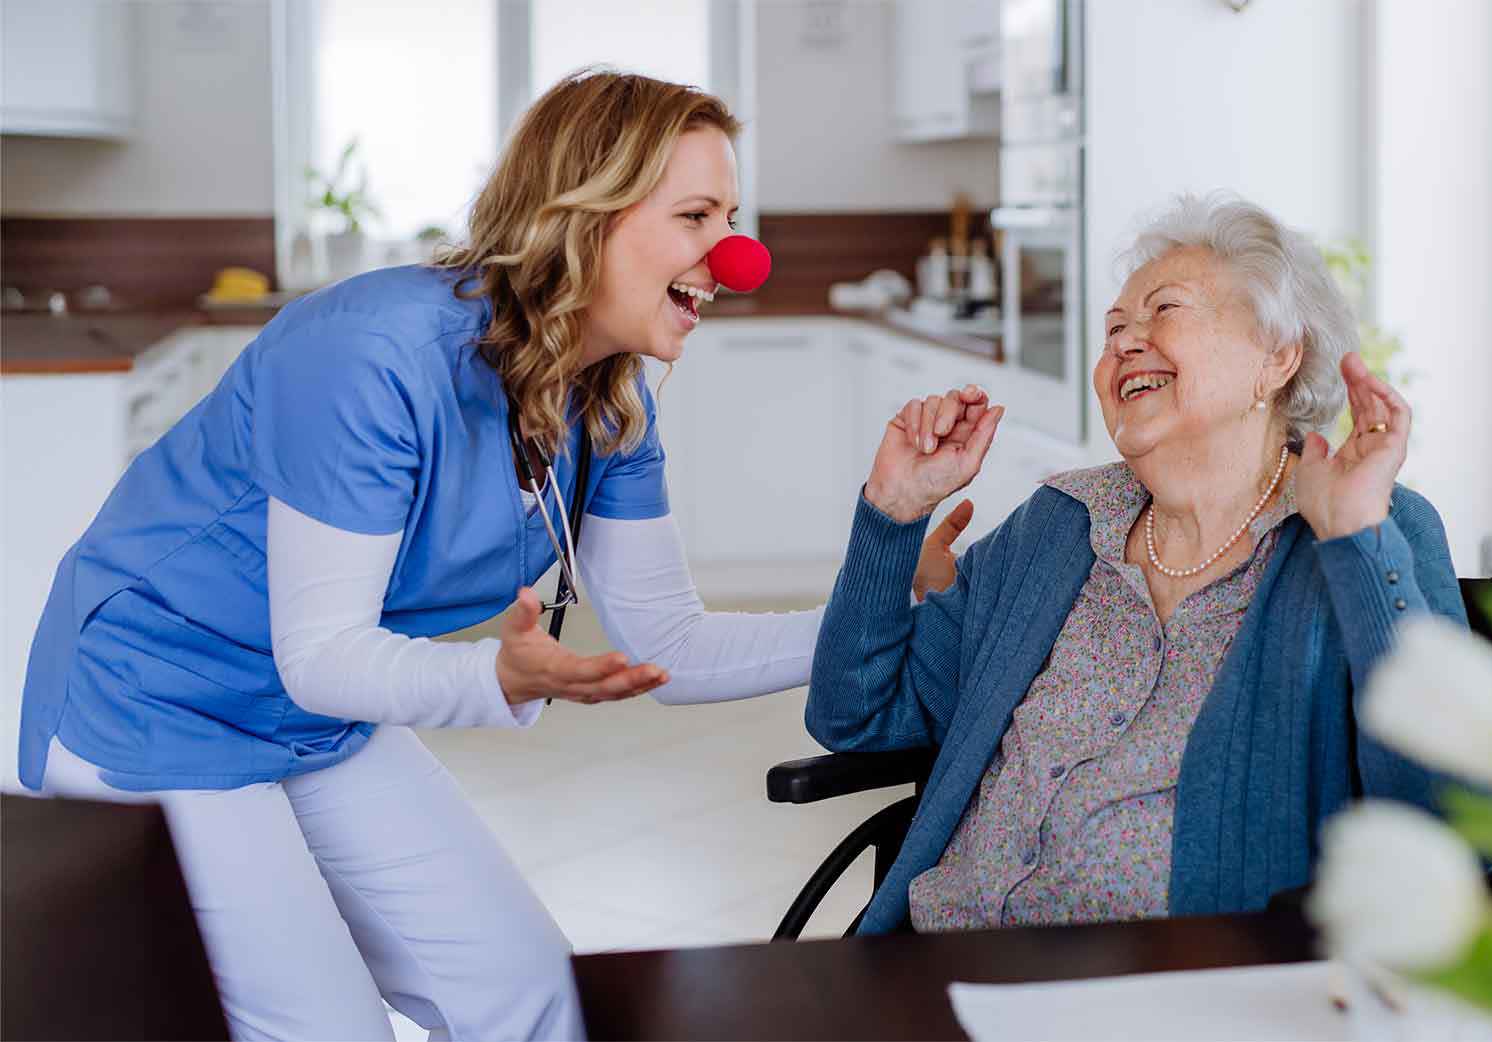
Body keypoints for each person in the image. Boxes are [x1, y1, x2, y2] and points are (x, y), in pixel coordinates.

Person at [15, 69, 955, 1040]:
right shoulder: (373, 353)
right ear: (584, 213)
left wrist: (887, 608)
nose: (736, 256)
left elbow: (672, 643)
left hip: (321, 720)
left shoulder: (610, 403)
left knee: (527, 991)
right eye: (696, 215)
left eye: (732, 214)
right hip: (158, 702)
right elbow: (322, 653)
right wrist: (491, 674)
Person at [805, 193, 1469, 936]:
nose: (1123, 342)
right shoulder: (1057, 527)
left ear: (1276, 357)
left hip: (1176, 993)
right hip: (936, 964)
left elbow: (1461, 821)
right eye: (1113, 327)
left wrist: (1358, 542)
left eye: (1164, 311)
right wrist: (891, 515)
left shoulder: (1370, 526)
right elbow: (854, 716)